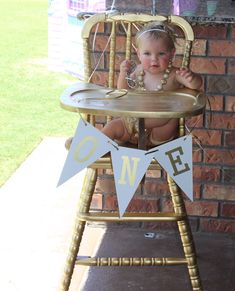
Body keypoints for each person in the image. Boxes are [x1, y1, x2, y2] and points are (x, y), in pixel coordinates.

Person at [65, 21, 202, 150]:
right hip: (131, 126)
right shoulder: (137, 71)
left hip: (159, 132)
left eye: (161, 54)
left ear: (172, 53)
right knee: (113, 126)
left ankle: (105, 143)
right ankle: (90, 147)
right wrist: (123, 73)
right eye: (147, 54)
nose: (154, 59)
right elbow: (122, 92)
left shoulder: (174, 74)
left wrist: (191, 78)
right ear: (139, 54)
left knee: (170, 120)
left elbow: (195, 86)